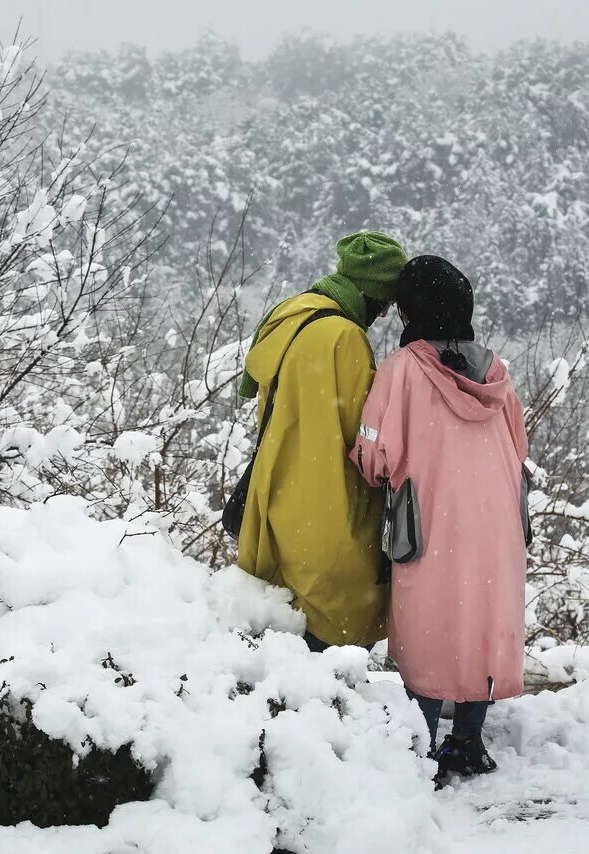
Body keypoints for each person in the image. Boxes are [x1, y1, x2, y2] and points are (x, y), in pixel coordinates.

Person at [349, 255, 529, 786]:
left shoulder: (403, 369)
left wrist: (367, 460)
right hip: (497, 519)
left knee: (429, 622)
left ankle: (422, 741)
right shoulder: (498, 371)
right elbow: (518, 447)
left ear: (412, 311)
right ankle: (468, 741)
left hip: (431, 518)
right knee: (483, 618)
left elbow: (376, 455)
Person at [236, 231, 407, 651]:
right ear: (371, 293)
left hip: (275, 484)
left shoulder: (293, 313)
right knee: (336, 607)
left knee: (286, 598)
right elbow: (363, 432)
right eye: (384, 303)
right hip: (320, 494)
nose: (383, 316)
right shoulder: (343, 336)